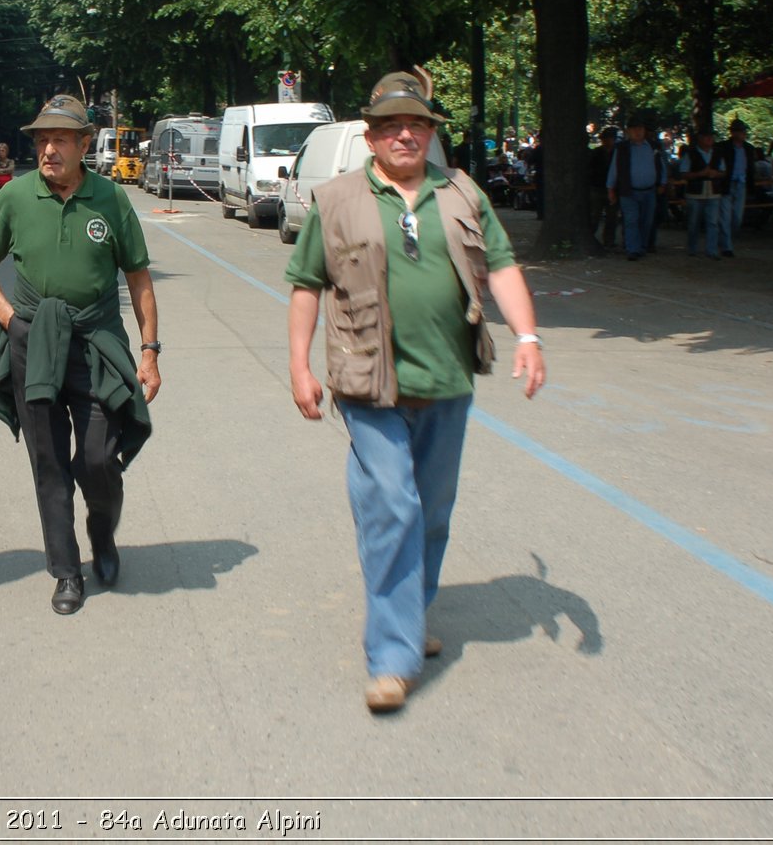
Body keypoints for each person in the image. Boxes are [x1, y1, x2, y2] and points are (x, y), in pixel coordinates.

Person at [285, 67, 545, 714]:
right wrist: (299, 366)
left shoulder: (461, 193)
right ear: (370, 137)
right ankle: (393, 656)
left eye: (418, 125)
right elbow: (306, 283)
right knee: (392, 506)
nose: (407, 135)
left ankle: (409, 610)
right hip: (367, 380)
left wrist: (529, 337)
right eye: (392, 126)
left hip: (448, 378)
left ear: (431, 133)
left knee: (431, 510)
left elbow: (503, 265)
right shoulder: (338, 199)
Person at [0, 94, 160, 616]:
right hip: (35, 344)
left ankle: (103, 532)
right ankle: (66, 571)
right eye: (42, 140)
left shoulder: (111, 199)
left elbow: (138, 277)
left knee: (99, 458)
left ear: (83, 144)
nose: (49, 149)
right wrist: (11, 321)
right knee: (48, 461)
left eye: (60, 140)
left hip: (97, 342)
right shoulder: (13, 199)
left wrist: (149, 351)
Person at [605, 116, 665, 261]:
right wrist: (610, 188)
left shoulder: (653, 146)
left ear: (644, 131)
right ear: (628, 131)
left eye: (640, 129)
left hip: (649, 190)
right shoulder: (622, 148)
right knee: (631, 220)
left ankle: (642, 246)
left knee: (646, 221)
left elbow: (661, 166)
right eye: (634, 129)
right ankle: (633, 249)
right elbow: (614, 169)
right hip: (629, 191)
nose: (637, 132)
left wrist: (662, 183)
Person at [679, 130, 727, 259]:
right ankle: (692, 248)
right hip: (695, 192)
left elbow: (723, 171)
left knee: (712, 223)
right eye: (706, 136)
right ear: (700, 138)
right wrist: (699, 174)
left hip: (713, 192)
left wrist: (715, 174)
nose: (709, 139)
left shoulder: (717, 153)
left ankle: (711, 250)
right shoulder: (691, 154)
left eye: (711, 136)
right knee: (693, 222)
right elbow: (683, 173)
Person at [717, 118, 757, 256]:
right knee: (725, 216)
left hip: (741, 184)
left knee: (737, 217)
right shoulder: (723, 147)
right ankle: (727, 246)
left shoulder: (749, 148)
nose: (743, 134)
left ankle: (726, 239)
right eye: (741, 131)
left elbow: (751, 169)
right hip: (727, 184)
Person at [588, 126, 620, 249]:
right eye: (605, 139)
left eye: (610, 138)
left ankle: (609, 241)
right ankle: (591, 238)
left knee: (612, 217)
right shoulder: (596, 153)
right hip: (597, 187)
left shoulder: (617, 153)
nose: (607, 141)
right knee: (594, 215)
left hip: (612, 188)